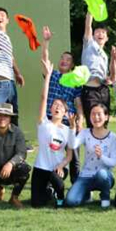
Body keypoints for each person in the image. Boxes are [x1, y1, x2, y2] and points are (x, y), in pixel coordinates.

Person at [41, 25, 83, 182]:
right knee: (50, 152)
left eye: (68, 59)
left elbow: (78, 104)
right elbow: (45, 59)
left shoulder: (75, 81)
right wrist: (46, 42)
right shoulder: (52, 74)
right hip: (51, 120)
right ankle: (49, 181)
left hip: (68, 121)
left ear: (72, 65)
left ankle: (76, 183)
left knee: (74, 154)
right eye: (62, 58)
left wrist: (80, 121)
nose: (64, 61)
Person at [31, 58, 74, 208]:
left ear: (65, 113)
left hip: (57, 168)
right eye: (55, 105)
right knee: (36, 203)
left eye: (60, 106)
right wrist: (48, 76)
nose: (57, 107)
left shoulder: (68, 130)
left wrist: (61, 166)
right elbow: (44, 98)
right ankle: (49, 191)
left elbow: (69, 155)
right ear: (50, 108)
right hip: (41, 167)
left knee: (58, 182)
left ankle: (60, 197)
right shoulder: (43, 123)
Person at [65, 104, 116, 208]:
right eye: (93, 114)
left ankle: (105, 197)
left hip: (104, 177)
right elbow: (72, 145)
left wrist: (101, 156)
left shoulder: (113, 137)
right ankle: (86, 193)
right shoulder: (85, 133)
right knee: (71, 201)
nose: (96, 117)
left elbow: (114, 162)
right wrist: (72, 128)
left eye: (99, 114)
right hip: (86, 175)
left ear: (106, 117)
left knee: (102, 174)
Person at [80, 11, 110, 127]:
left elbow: (105, 75)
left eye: (103, 32)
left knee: (104, 122)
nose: (100, 34)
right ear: (93, 35)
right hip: (90, 90)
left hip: (103, 90)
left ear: (106, 38)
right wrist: (91, 9)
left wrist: (107, 79)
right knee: (92, 122)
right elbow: (88, 25)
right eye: (97, 32)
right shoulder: (89, 44)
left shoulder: (105, 56)